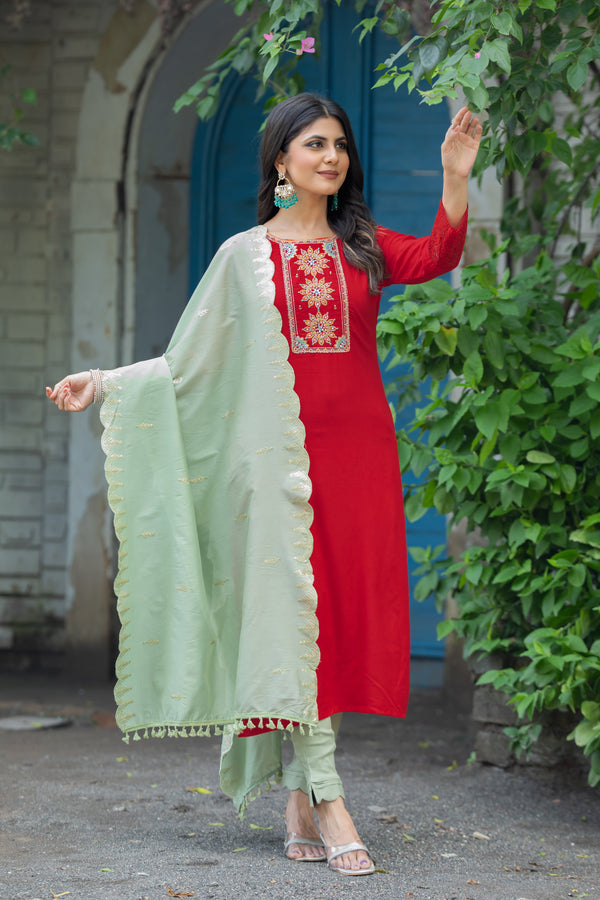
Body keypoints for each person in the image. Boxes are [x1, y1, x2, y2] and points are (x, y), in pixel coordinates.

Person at [47, 93, 481, 876]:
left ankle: (298, 798)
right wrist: (105, 382)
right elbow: (187, 364)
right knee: (285, 616)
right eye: (314, 144)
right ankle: (328, 791)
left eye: (340, 146)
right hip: (274, 465)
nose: (332, 157)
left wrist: (454, 175)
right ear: (280, 161)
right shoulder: (242, 258)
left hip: (359, 457)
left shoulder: (362, 247)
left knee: (333, 621)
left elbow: (437, 256)